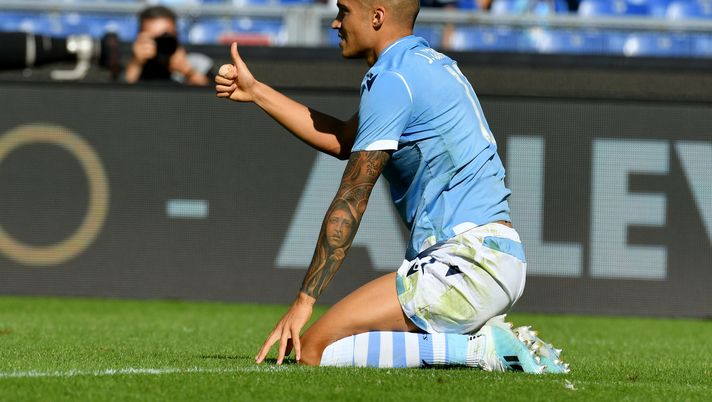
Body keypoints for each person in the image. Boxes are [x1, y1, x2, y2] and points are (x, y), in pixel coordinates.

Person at [215, 0, 568, 373]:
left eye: (344, 11)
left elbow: (353, 197)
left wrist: (304, 300)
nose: (335, 23)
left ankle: (481, 351)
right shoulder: (427, 64)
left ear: (377, 16)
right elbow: (343, 139)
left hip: (465, 262)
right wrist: (256, 91)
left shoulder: (392, 78)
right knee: (344, 345)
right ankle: (474, 343)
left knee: (312, 351)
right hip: (496, 258)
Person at [124, 6, 210, 85]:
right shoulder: (128, 63)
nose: (159, 44)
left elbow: (211, 92)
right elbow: (122, 92)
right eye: (153, 38)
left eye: (165, 37)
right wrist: (136, 64)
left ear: (176, 35)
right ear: (140, 37)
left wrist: (188, 72)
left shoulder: (197, 62)